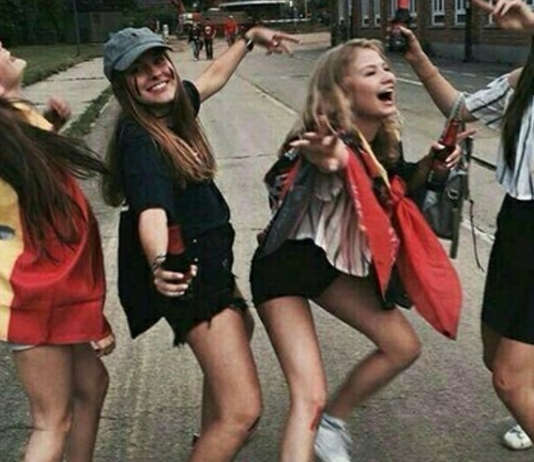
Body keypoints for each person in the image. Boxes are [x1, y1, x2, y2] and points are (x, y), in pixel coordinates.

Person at [250, 38, 465, 462]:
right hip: (282, 272)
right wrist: (329, 156)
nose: (387, 76)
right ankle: (319, 422)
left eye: (385, 68)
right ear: (342, 93)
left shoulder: (381, 141)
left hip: (329, 270)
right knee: (308, 397)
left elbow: (393, 185)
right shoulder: (325, 143)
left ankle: (333, 423)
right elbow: (320, 161)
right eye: (371, 72)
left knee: (402, 346)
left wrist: (432, 164)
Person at [102, 26, 297, 461]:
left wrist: (248, 38)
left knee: (242, 331)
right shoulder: (141, 140)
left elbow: (212, 78)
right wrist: (159, 263)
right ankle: (214, 440)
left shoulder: (171, 111)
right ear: (123, 86)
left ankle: (208, 438)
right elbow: (152, 210)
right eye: (139, 70)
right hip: (191, 276)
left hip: (210, 267)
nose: (155, 73)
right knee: (242, 412)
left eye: (157, 60)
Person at [400, 0, 534, 451]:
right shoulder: (523, 80)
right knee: (495, 355)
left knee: (510, 379)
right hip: (517, 226)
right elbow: (461, 109)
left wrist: (531, 23)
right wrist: (418, 59)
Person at [0, 42, 115, 462]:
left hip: (44, 284)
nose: (4, 48)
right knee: (51, 421)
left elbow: (26, 159)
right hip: (32, 289)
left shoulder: (15, 119)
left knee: (92, 384)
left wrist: (51, 123)